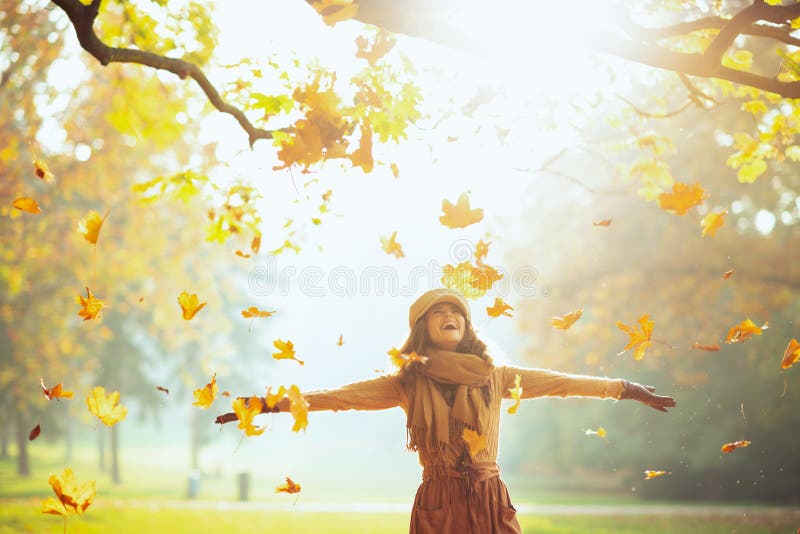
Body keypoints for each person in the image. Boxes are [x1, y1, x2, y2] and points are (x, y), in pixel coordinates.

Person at [216, 288, 676, 533]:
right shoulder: (407, 382)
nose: (448, 315)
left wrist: (626, 388)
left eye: (455, 310)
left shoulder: (495, 375)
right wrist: (262, 406)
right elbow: (338, 397)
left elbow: (563, 383)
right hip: (439, 502)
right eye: (437, 312)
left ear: (466, 323)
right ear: (422, 328)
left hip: (490, 497)